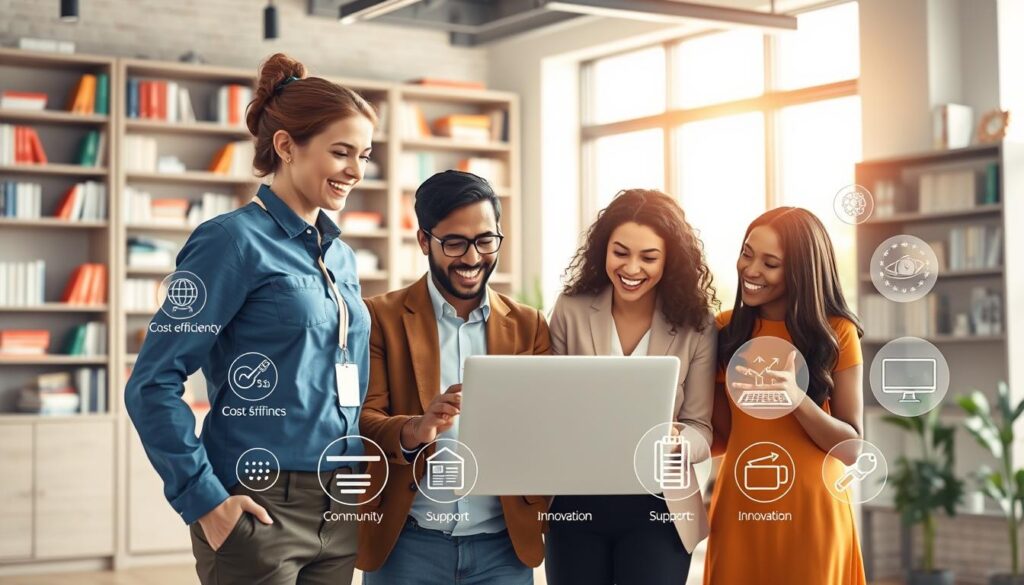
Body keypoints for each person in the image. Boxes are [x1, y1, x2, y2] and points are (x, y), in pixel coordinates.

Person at [124, 53, 376, 585]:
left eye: (364, 155)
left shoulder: (342, 256)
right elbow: (152, 382)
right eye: (341, 152)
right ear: (285, 146)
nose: (356, 170)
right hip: (257, 502)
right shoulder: (229, 242)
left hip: (342, 501)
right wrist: (205, 502)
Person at [358, 170, 550, 585]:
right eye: (455, 243)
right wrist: (416, 428)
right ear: (425, 240)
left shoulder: (529, 325)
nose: (472, 258)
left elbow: (549, 428)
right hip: (408, 545)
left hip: (503, 547)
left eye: (485, 240)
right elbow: (363, 421)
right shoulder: (380, 318)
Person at [545, 189, 718, 585]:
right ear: (603, 250)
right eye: (620, 252)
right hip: (576, 501)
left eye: (649, 257)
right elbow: (550, 404)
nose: (632, 267)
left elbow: (701, 428)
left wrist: (678, 440)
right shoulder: (570, 309)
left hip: (661, 508)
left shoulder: (697, 324)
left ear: (669, 259)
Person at [704, 206, 866, 584]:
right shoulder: (725, 329)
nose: (751, 269)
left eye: (770, 263)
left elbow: (851, 448)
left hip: (813, 512)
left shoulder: (837, 332)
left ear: (800, 272)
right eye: (747, 253)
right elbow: (720, 437)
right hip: (741, 505)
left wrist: (796, 399)